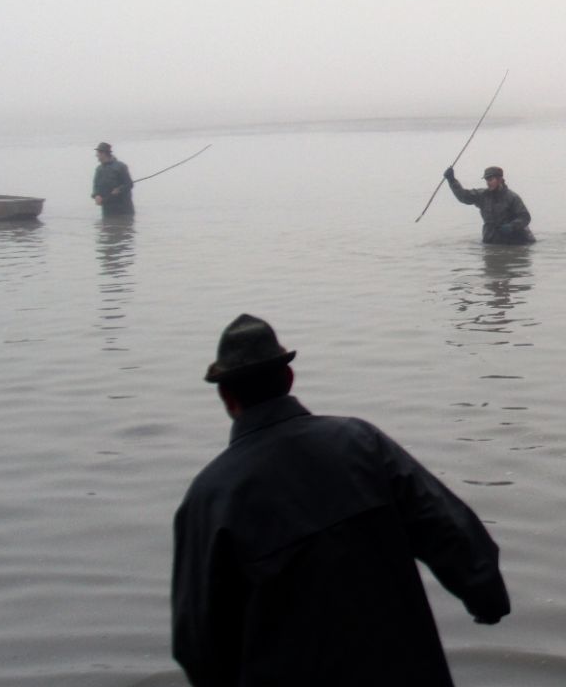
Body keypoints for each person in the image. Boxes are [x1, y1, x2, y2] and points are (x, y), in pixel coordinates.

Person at [172, 314, 510, 686]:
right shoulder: (361, 444)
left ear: (226, 397)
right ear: (288, 378)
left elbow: (197, 643)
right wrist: (487, 598)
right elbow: (448, 528)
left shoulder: (208, 499)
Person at [444, 165, 535, 244]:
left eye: (491, 179)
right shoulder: (482, 195)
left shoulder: (512, 197)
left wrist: (512, 226)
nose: (488, 183)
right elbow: (464, 196)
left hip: (517, 242)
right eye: (487, 180)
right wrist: (451, 180)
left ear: (500, 180)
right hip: (491, 241)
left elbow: (525, 217)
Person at [91, 142, 134, 216]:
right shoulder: (99, 169)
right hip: (107, 209)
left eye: (98, 153)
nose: (96, 155)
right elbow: (96, 186)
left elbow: (129, 184)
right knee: (107, 223)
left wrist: (119, 189)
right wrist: (96, 195)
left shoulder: (121, 166)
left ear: (104, 153)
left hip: (123, 209)